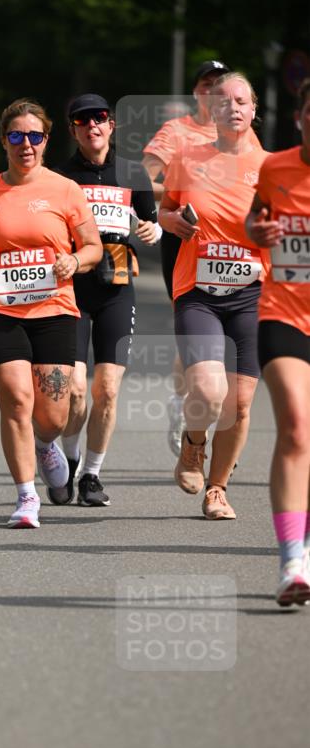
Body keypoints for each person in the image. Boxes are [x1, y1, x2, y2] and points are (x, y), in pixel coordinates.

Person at [0, 98, 102, 528]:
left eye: (34, 136)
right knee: (17, 399)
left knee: (53, 416)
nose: (26, 144)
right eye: (16, 136)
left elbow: (92, 247)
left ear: (46, 140)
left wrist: (75, 261)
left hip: (54, 309)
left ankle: (45, 443)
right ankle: (26, 496)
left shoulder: (65, 190)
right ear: (4, 141)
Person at [159, 72, 268, 520]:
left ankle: (217, 489)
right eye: (223, 101)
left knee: (239, 404)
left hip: (254, 294)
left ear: (254, 109)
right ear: (211, 110)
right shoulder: (188, 158)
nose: (233, 108)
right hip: (199, 291)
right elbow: (165, 210)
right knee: (207, 390)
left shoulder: (273, 167)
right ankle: (193, 444)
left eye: (241, 101)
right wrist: (171, 221)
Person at [52, 93, 160, 507]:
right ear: (73, 130)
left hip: (116, 287)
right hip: (73, 288)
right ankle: (71, 459)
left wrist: (153, 232)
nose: (91, 126)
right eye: (82, 121)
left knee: (108, 390)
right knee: (75, 391)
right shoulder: (60, 177)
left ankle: (91, 476)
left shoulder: (132, 172)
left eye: (98, 118)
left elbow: (152, 223)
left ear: (111, 125)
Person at [144, 60, 240, 456]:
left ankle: (206, 411)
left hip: (233, 246)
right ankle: (183, 404)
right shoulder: (177, 131)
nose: (213, 91)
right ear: (196, 92)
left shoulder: (240, 132)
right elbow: (143, 178)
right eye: (206, 84)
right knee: (195, 329)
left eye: (221, 84)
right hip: (186, 239)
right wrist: (180, 193)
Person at [245, 77, 310, 606]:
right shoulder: (276, 167)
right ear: (300, 118)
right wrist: (258, 232)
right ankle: (291, 561)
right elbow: (256, 217)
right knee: (295, 425)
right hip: (283, 312)